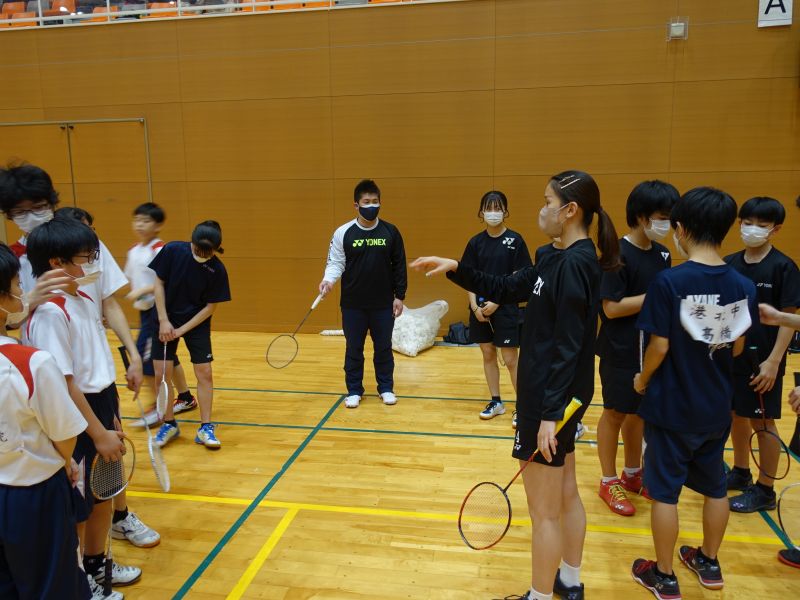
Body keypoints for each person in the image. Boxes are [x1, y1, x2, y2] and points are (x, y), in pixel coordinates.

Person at [412, 170, 621, 600]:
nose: (541, 209)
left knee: (543, 511)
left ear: (569, 211)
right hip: (557, 397)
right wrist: (456, 269)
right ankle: (569, 580)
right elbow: (507, 287)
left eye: (547, 202)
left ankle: (540, 596)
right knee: (565, 492)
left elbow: (568, 345)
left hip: (551, 398)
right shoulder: (551, 256)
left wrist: (548, 416)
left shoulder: (577, 265)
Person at [632, 187, 758, 599]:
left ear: (681, 229)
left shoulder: (669, 282)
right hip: (716, 407)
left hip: (671, 408)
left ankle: (664, 575)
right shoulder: (743, 284)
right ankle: (708, 561)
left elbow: (660, 346)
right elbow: (738, 348)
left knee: (665, 492)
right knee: (716, 486)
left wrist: (642, 378)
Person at [23, 218, 141, 598]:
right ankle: (79, 580)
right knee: (78, 506)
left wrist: (112, 416)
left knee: (104, 493)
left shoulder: (84, 296)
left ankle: (96, 564)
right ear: (57, 262)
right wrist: (97, 431)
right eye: (87, 256)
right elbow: (65, 383)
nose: (94, 262)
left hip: (103, 403)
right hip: (78, 415)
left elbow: (94, 362)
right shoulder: (50, 314)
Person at [55, 206, 164, 548]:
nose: (91, 258)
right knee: (83, 483)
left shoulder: (87, 274)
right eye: (84, 253)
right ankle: (84, 563)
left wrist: (132, 355)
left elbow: (110, 303)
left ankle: (118, 519)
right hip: (72, 398)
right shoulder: (52, 306)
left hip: (102, 386)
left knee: (111, 461)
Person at [0, 242, 93, 600]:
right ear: (4, 298)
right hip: (33, 496)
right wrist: (64, 462)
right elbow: (65, 437)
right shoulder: (31, 363)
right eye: (17, 285)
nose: (23, 291)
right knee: (54, 587)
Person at [595, 181, 678, 516]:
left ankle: (632, 474)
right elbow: (611, 308)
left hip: (651, 348)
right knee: (615, 412)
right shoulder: (617, 253)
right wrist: (655, 297)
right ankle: (607, 479)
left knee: (639, 413)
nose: (667, 225)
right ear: (642, 217)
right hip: (619, 348)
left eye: (671, 218)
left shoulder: (663, 254)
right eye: (662, 217)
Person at [722, 197, 800, 513]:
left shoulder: (784, 267)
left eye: (761, 225)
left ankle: (765, 489)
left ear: (775, 229)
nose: (752, 229)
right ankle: (740, 471)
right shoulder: (729, 262)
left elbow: (788, 318)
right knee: (734, 416)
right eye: (747, 222)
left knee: (763, 423)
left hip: (763, 361)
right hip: (731, 358)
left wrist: (773, 362)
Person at [319, 180, 407, 408]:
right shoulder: (343, 232)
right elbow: (336, 262)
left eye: (375, 201)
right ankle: (354, 390)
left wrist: (400, 296)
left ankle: (386, 388)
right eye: (366, 202)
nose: (371, 205)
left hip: (383, 304)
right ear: (356, 205)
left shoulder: (390, 231)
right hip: (353, 304)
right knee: (354, 348)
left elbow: (399, 265)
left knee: (384, 348)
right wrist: (328, 280)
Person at [151, 220, 231, 449]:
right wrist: (164, 321)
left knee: (204, 372)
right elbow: (158, 282)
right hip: (166, 317)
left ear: (217, 248)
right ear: (192, 242)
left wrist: (181, 330)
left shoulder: (217, 270)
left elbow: (210, 308)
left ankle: (206, 427)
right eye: (198, 249)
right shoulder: (173, 250)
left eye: (208, 252)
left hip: (196, 322)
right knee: (161, 373)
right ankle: (169, 424)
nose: (202, 254)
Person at [459, 191, 531, 422]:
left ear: (505, 211)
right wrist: (474, 307)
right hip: (480, 311)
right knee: (488, 354)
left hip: (506, 309)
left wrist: (497, 301)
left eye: (497, 207)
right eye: (488, 208)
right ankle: (496, 401)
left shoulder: (516, 241)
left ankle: (523, 407)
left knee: (510, 359)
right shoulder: (475, 242)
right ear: (481, 212)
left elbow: (521, 277)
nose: (493, 212)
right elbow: (467, 277)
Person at [124, 202, 196, 423]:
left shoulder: (160, 249)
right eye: (137, 220)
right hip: (144, 313)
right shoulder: (134, 251)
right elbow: (130, 278)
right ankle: (185, 397)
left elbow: (167, 281)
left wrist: (142, 291)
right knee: (167, 356)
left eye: (146, 221)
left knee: (147, 361)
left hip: (159, 312)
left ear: (157, 226)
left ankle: (158, 407)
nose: (140, 224)